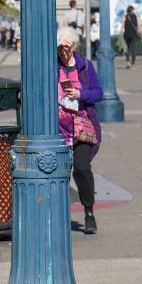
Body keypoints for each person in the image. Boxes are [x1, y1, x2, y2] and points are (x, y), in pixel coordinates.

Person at [56, 27, 104, 234]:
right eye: (60, 47)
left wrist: (80, 93)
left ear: (75, 46)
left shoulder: (85, 66)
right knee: (58, 173)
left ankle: (89, 212)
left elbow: (98, 93)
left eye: (68, 47)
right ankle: (58, 216)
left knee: (82, 168)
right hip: (57, 128)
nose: (64, 52)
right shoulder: (52, 66)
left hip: (81, 126)